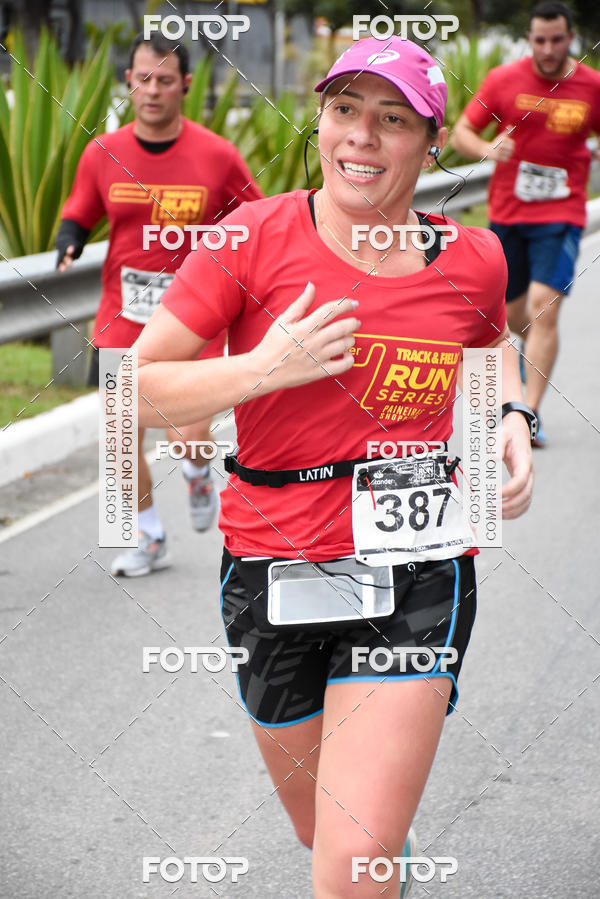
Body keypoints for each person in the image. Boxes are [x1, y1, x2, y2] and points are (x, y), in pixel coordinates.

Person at [133, 37, 534, 897]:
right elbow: (131, 395)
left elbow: (490, 344)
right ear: (318, 122)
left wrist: (509, 413)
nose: (361, 135)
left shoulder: (474, 258)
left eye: (392, 120)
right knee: (324, 830)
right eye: (345, 110)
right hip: (271, 568)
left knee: (350, 862)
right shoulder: (251, 238)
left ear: (432, 142)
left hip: (418, 570)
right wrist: (261, 369)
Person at [56, 31, 263, 576]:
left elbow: (257, 223)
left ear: (185, 85)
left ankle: (197, 472)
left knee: (187, 437)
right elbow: (80, 209)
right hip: (121, 316)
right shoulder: (103, 152)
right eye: (143, 79)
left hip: (193, 320)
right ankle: (148, 535)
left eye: (164, 80)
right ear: (128, 81)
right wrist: (69, 237)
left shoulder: (217, 157)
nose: (152, 90)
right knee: (120, 434)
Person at [451, 0, 600, 447]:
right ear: (529, 39)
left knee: (543, 308)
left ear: (570, 38)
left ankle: (528, 414)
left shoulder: (592, 86)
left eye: (556, 40)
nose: (548, 49)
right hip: (508, 215)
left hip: (562, 214)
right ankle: (530, 356)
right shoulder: (503, 80)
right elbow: (461, 133)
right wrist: (487, 149)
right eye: (539, 40)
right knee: (513, 315)